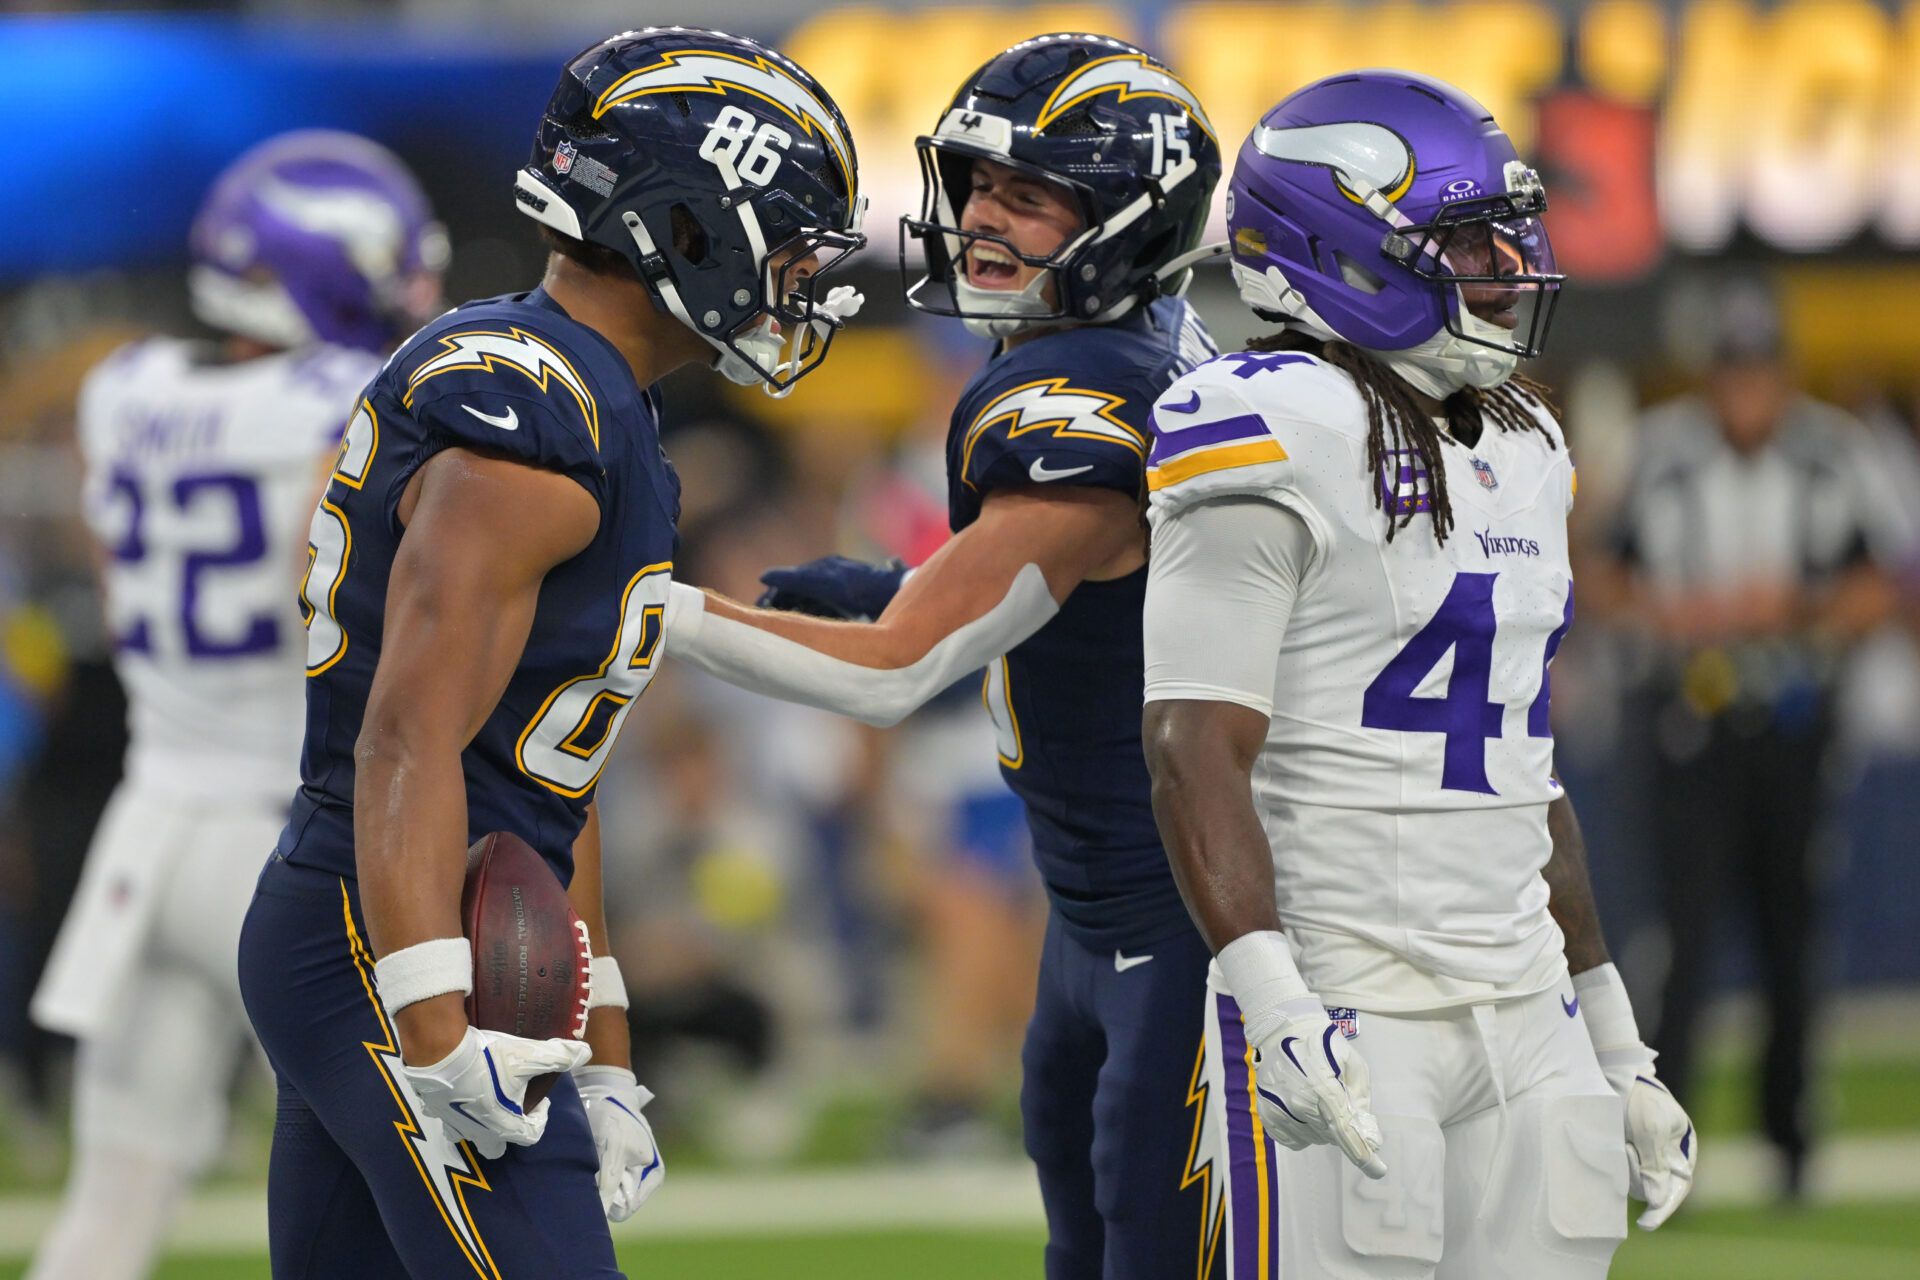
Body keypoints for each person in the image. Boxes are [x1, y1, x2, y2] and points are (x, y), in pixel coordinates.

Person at [233, 28, 866, 1277]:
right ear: (684, 228)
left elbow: (538, 795)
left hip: (414, 907)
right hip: (394, 927)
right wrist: (428, 1013)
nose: (803, 276)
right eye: (785, 237)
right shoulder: (534, 430)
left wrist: (609, 1052)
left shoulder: (583, 396)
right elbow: (406, 737)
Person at [664, 33, 1226, 1277]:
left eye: (1026, 194)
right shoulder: (1116, 352)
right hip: (1098, 908)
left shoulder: (1094, 391)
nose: (978, 216)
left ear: (1129, 221)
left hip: (1176, 910)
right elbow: (1070, 596)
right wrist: (889, 584)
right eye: (974, 183)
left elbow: (895, 672)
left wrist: (652, 614)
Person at [1138, 71, 1697, 1278]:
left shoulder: (1525, 440)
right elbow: (1192, 742)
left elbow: (1523, 771)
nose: (1508, 260)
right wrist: (1273, 1000)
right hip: (1347, 1003)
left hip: (1528, 1005)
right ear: (1340, 250)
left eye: (1507, 227)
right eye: (1467, 236)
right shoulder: (1268, 420)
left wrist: (1615, 1036)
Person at [26, 130, 447, 1280]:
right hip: (287, 835)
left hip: (149, 828)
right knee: (416, 1185)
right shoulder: (351, 400)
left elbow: (117, 585)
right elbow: (351, 600)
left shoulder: (124, 389)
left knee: (111, 1203)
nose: (418, 292)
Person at [1603, 291, 1904, 1197]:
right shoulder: (1662, 452)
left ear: (1779, 371)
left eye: (1758, 369)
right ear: (1713, 374)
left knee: (1791, 938)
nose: (1745, 390)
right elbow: (1597, 570)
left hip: (1794, 726)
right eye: (1731, 370)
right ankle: (1669, 1140)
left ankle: (1791, 1138)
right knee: (1684, 940)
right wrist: (1674, 616)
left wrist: (1797, 608)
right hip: (1686, 723)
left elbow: (1880, 585)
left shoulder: (1831, 453)